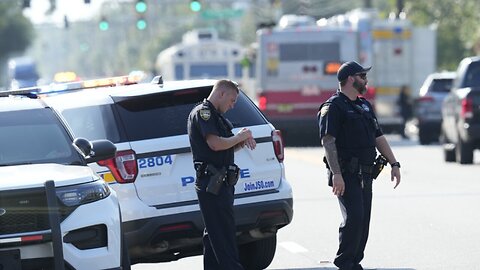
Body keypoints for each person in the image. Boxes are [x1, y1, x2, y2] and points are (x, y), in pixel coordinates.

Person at [317, 61, 401, 270]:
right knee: (354, 217)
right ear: (351, 79)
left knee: (363, 221)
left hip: (366, 173)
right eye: (363, 76)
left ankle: (354, 261)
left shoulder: (364, 105)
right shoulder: (334, 106)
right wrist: (336, 174)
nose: (366, 80)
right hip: (346, 173)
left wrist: (394, 163)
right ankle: (345, 262)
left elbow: (378, 136)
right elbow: (328, 141)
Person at [187, 79, 256, 270]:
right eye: (232, 100)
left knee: (214, 236)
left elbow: (224, 149)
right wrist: (239, 137)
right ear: (221, 94)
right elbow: (215, 144)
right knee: (224, 237)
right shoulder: (204, 113)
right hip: (212, 184)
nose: (232, 105)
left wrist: (241, 140)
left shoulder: (217, 117)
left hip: (221, 184)